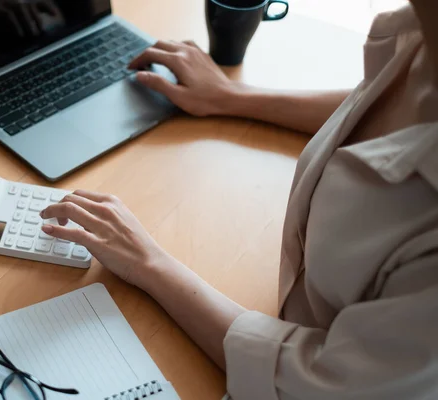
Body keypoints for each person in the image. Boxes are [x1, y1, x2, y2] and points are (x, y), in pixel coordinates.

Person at [40, 1, 438, 398]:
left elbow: (315, 387)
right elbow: (373, 102)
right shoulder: (421, 33)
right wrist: (230, 96)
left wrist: (150, 264)